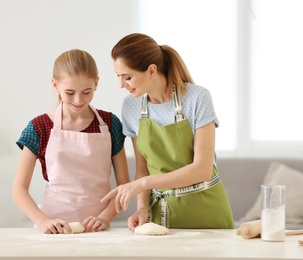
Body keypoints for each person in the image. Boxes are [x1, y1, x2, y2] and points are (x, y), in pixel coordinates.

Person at [101, 33, 235, 230]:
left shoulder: (197, 98)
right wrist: (142, 208)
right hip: (160, 217)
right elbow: (142, 168)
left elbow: (202, 169)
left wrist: (142, 184)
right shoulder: (131, 106)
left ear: (152, 71)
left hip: (208, 211)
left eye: (127, 77)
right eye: (119, 77)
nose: (121, 85)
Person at [12, 49, 130, 234]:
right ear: (55, 85)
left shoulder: (109, 123)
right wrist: (44, 221)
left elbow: (124, 185)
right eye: (70, 92)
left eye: (86, 92)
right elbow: (19, 189)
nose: (78, 100)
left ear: (96, 83)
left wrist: (105, 217)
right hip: (53, 230)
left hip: (98, 229)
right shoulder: (40, 127)